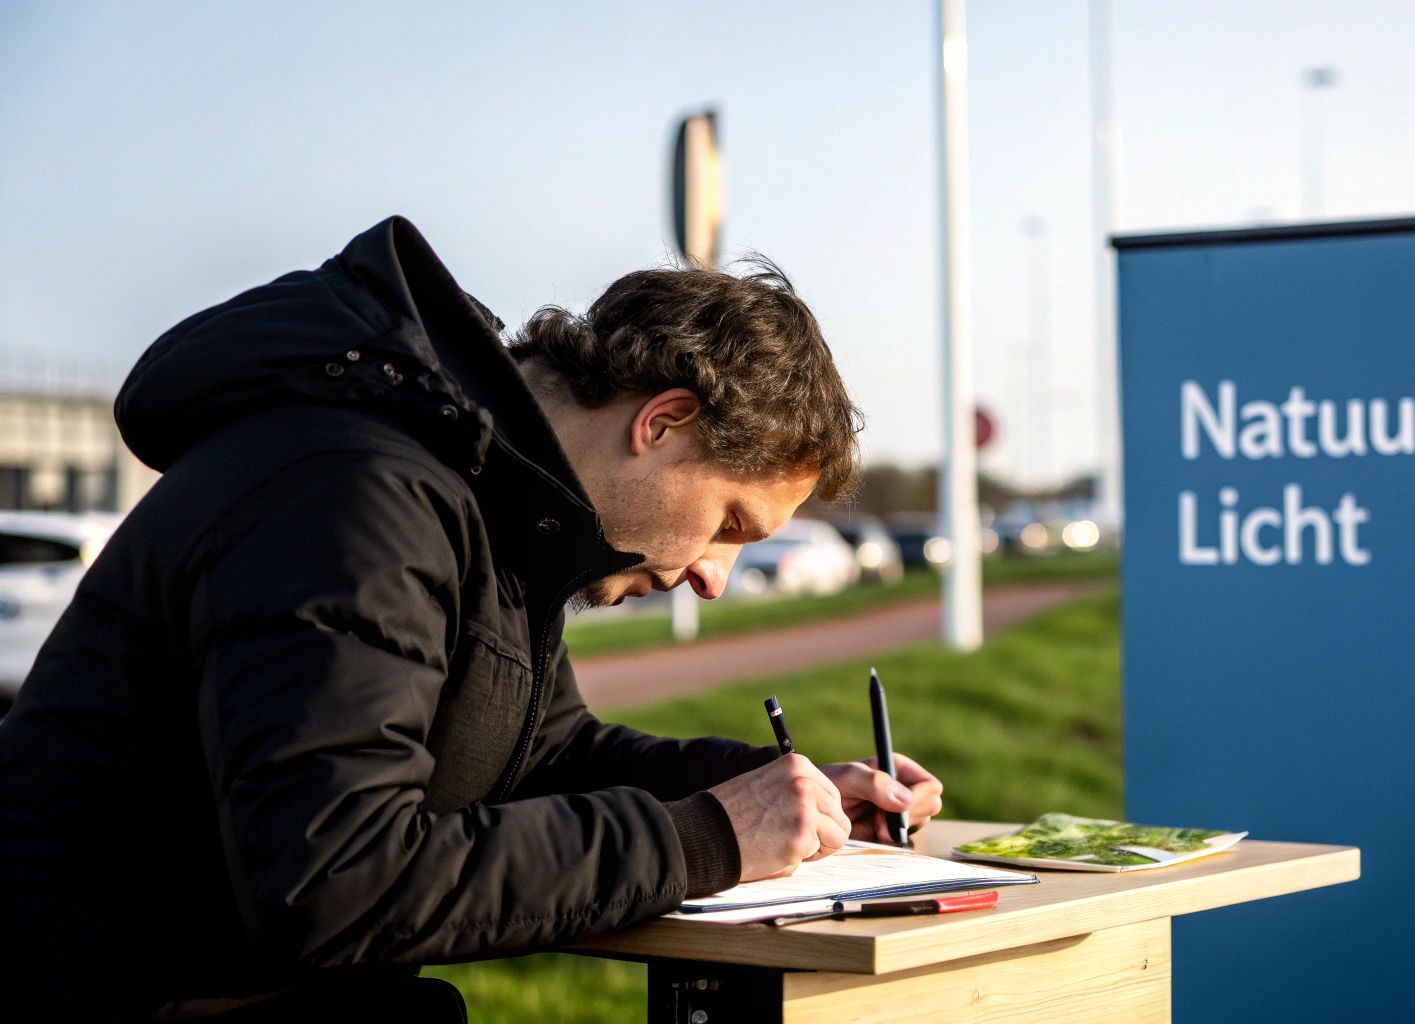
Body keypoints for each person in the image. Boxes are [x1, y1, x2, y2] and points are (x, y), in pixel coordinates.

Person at [0, 217, 943, 1022]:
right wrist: (703, 838)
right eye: (729, 524)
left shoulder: (494, 503)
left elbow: (540, 754)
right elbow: (335, 878)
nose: (715, 577)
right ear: (662, 421)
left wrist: (774, 792)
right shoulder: (360, 494)